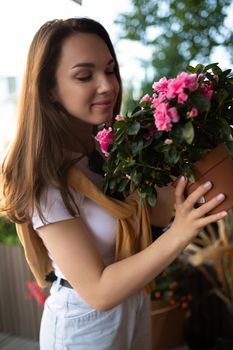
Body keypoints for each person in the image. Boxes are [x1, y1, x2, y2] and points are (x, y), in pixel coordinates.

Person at [0, 17, 227, 350]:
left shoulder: (104, 149)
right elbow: (98, 291)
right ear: (48, 88)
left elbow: (153, 218)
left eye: (109, 69)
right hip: (85, 324)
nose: (107, 85)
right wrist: (182, 232)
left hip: (132, 304)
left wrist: (179, 153)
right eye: (84, 75)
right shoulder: (46, 178)